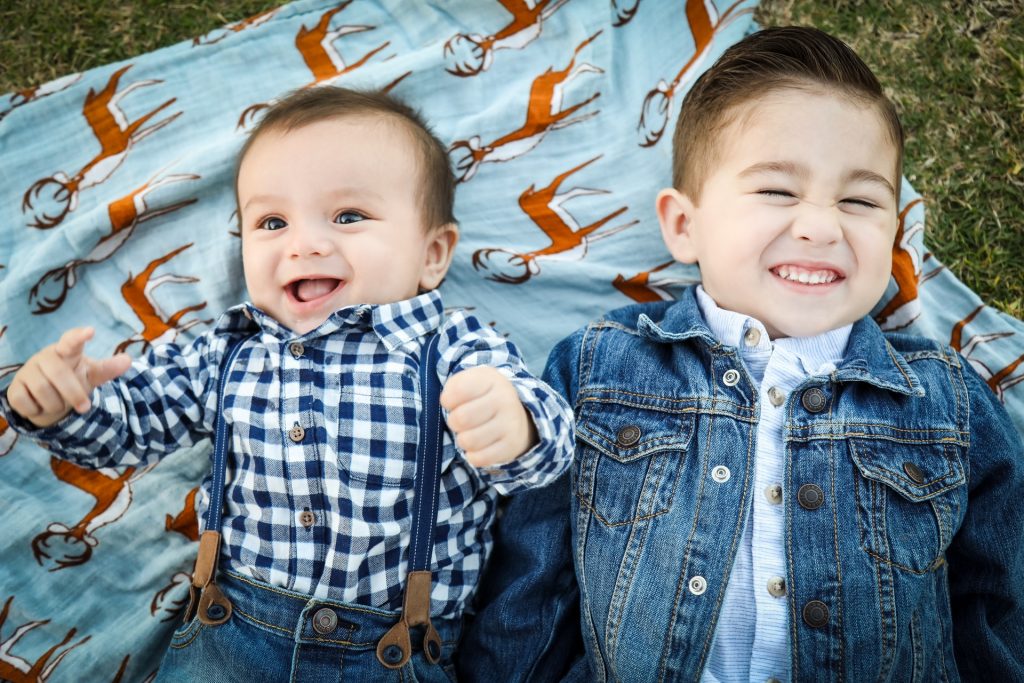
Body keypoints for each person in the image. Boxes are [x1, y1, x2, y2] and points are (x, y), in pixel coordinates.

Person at [458, 26, 1024, 681]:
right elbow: (534, 575)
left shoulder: (946, 398)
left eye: (860, 200)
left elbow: (995, 599)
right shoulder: (599, 368)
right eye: (778, 191)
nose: (820, 224)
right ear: (683, 225)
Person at [0, 85, 574, 682]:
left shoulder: (454, 346)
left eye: (349, 216)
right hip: (232, 631)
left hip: (397, 646)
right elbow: (136, 424)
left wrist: (517, 424)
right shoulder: (229, 348)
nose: (305, 243)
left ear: (433, 254)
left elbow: (550, 457)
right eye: (272, 222)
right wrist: (61, 407)